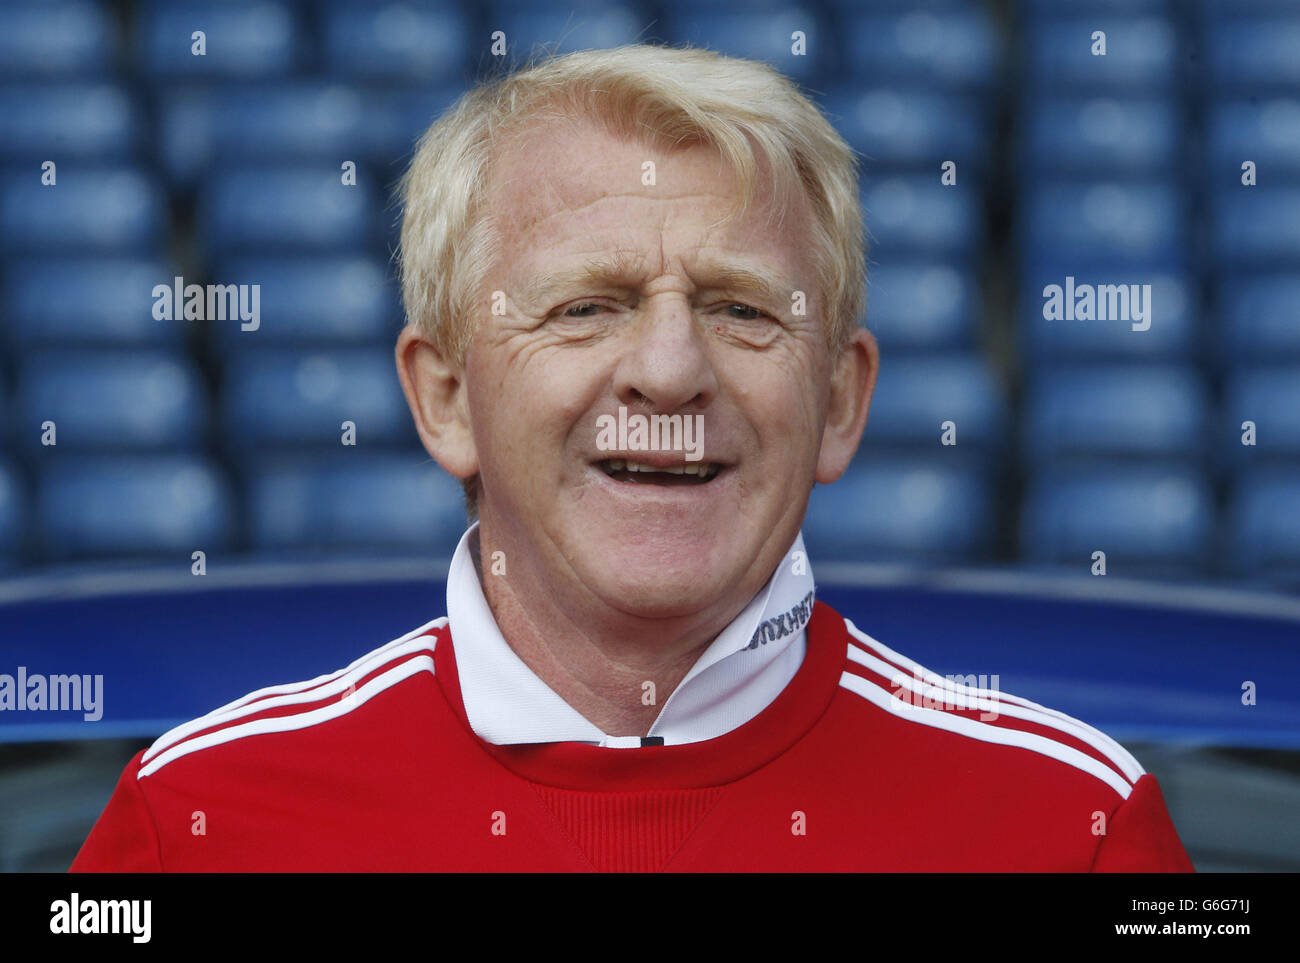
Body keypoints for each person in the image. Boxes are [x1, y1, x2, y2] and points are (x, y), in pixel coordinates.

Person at [72, 44, 1193, 872]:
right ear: (446, 397)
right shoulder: (198, 821)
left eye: (741, 309)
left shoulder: (1073, 824)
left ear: (842, 401)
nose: (668, 369)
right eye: (585, 307)